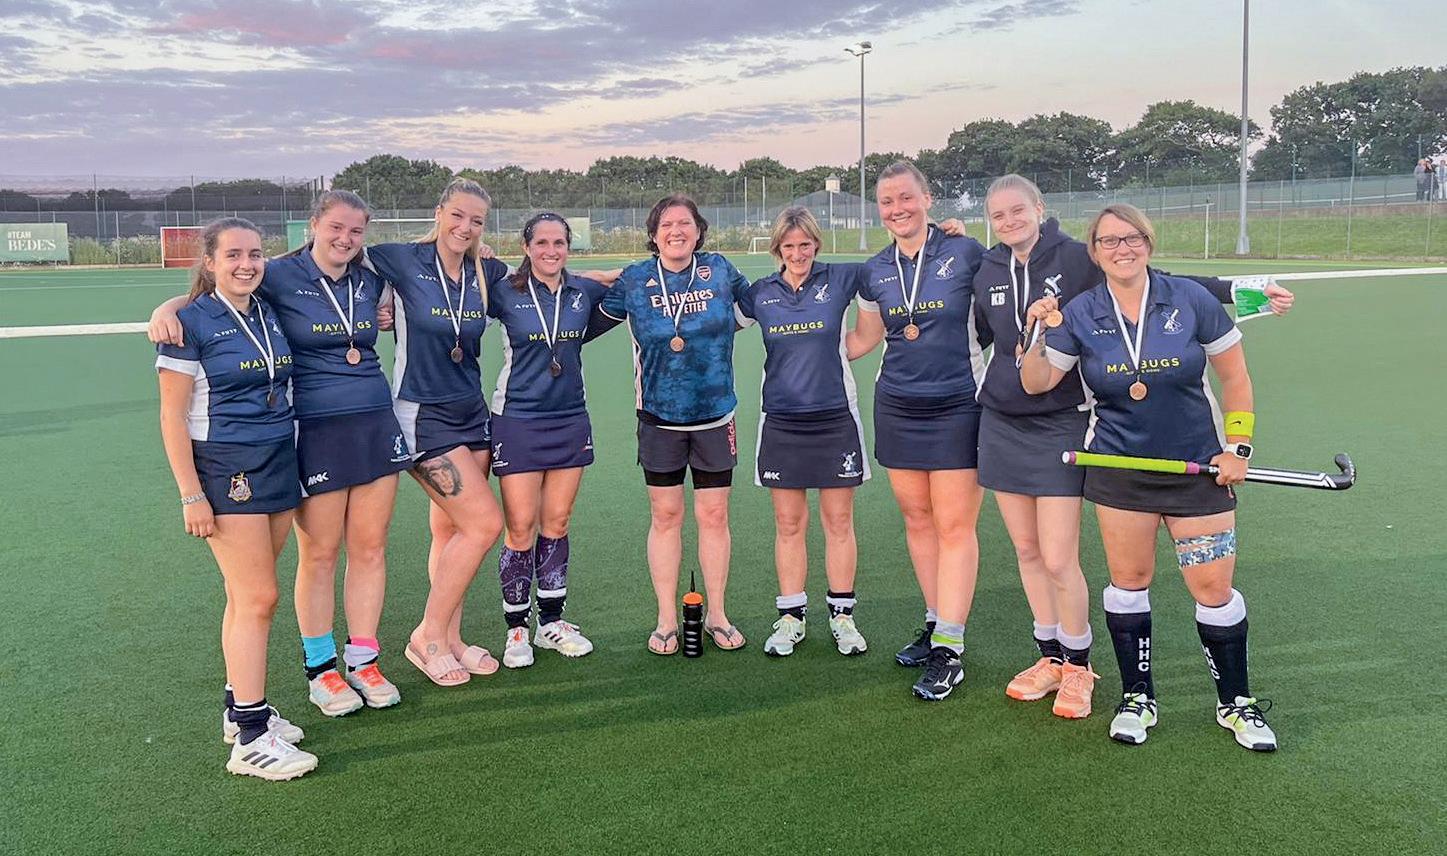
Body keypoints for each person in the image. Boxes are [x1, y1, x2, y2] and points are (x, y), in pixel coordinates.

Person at [972, 174, 1294, 719]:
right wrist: (1038, 334)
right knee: (1128, 585)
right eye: (1109, 241)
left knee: (1212, 589)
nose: (1122, 249)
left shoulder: (1189, 299)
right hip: (1120, 469)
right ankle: (1137, 699)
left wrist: (1238, 447)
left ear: (1148, 242)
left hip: (1197, 469)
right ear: (1095, 253)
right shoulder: (1080, 312)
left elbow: (1236, 379)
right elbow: (1036, 381)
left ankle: (1236, 703)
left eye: (1132, 238)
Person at [150, 191, 411, 716]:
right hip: (313, 429)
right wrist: (167, 308)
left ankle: (363, 660)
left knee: (370, 548)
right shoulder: (280, 274)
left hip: (373, 423)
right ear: (313, 225)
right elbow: (219, 293)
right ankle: (322, 669)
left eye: (356, 230)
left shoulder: (370, 279)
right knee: (320, 553)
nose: (345, 238)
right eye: (335, 227)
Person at [155, 217, 316, 780]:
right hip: (227, 469)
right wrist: (190, 494)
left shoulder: (266, 310)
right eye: (233, 255)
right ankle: (250, 739)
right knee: (259, 597)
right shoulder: (188, 323)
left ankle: (239, 709)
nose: (246, 264)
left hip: (279, 458)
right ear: (210, 262)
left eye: (255, 254)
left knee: (244, 593)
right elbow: (172, 416)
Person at [846, 160, 988, 701]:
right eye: (887, 201)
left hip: (958, 402)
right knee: (918, 520)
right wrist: (801, 349)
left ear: (928, 198)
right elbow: (864, 338)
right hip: (898, 405)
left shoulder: (966, 252)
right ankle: (935, 620)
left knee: (954, 525)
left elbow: (997, 317)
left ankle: (951, 646)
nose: (897, 209)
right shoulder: (875, 270)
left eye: (906, 197)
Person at [596, 194, 754, 655]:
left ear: (699, 231)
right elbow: (585, 319)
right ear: (653, 234)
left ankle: (717, 613)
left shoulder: (720, 270)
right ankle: (667, 617)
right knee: (665, 516)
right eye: (666, 224)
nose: (676, 231)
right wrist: (588, 276)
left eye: (685, 223)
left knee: (714, 516)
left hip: (715, 415)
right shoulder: (635, 279)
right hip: (659, 418)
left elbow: (762, 302)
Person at [367, 178, 509, 686]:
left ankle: (451, 638)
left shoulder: (486, 271)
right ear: (439, 212)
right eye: (458, 216)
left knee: (451, 531)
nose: (465, 228)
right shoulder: (400, 260)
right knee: (483, 525)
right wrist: (173, 307)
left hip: (471, 413)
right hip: (422, 413)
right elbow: (316, 264)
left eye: (476, 221)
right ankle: (427, 636)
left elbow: (549, 277)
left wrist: (620, 275)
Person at [738, 207, 872, 657]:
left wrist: (941, 233)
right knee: (789, 523)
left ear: (816, 244)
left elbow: (894, 269)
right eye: (789, 246)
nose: (797, 254)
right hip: (781, 420)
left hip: (835, 417)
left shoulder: (841, 278)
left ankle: (842, 617)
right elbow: (716, 318)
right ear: (777, 248)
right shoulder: (760, 293)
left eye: (805, 245)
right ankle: (791, 616)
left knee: (838, 522)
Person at [485, 212, 617, 667]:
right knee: (520, 527)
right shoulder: (504, 291)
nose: (550, 250)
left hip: (569, 418)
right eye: (541, 242)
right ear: (526, 247)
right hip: (518, 419)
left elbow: (617, 283)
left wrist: (612, 272)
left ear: (568, 248)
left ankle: (551, 623)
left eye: (558, 242)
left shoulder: (582, 291)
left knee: (557, 522)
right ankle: (516, 629)